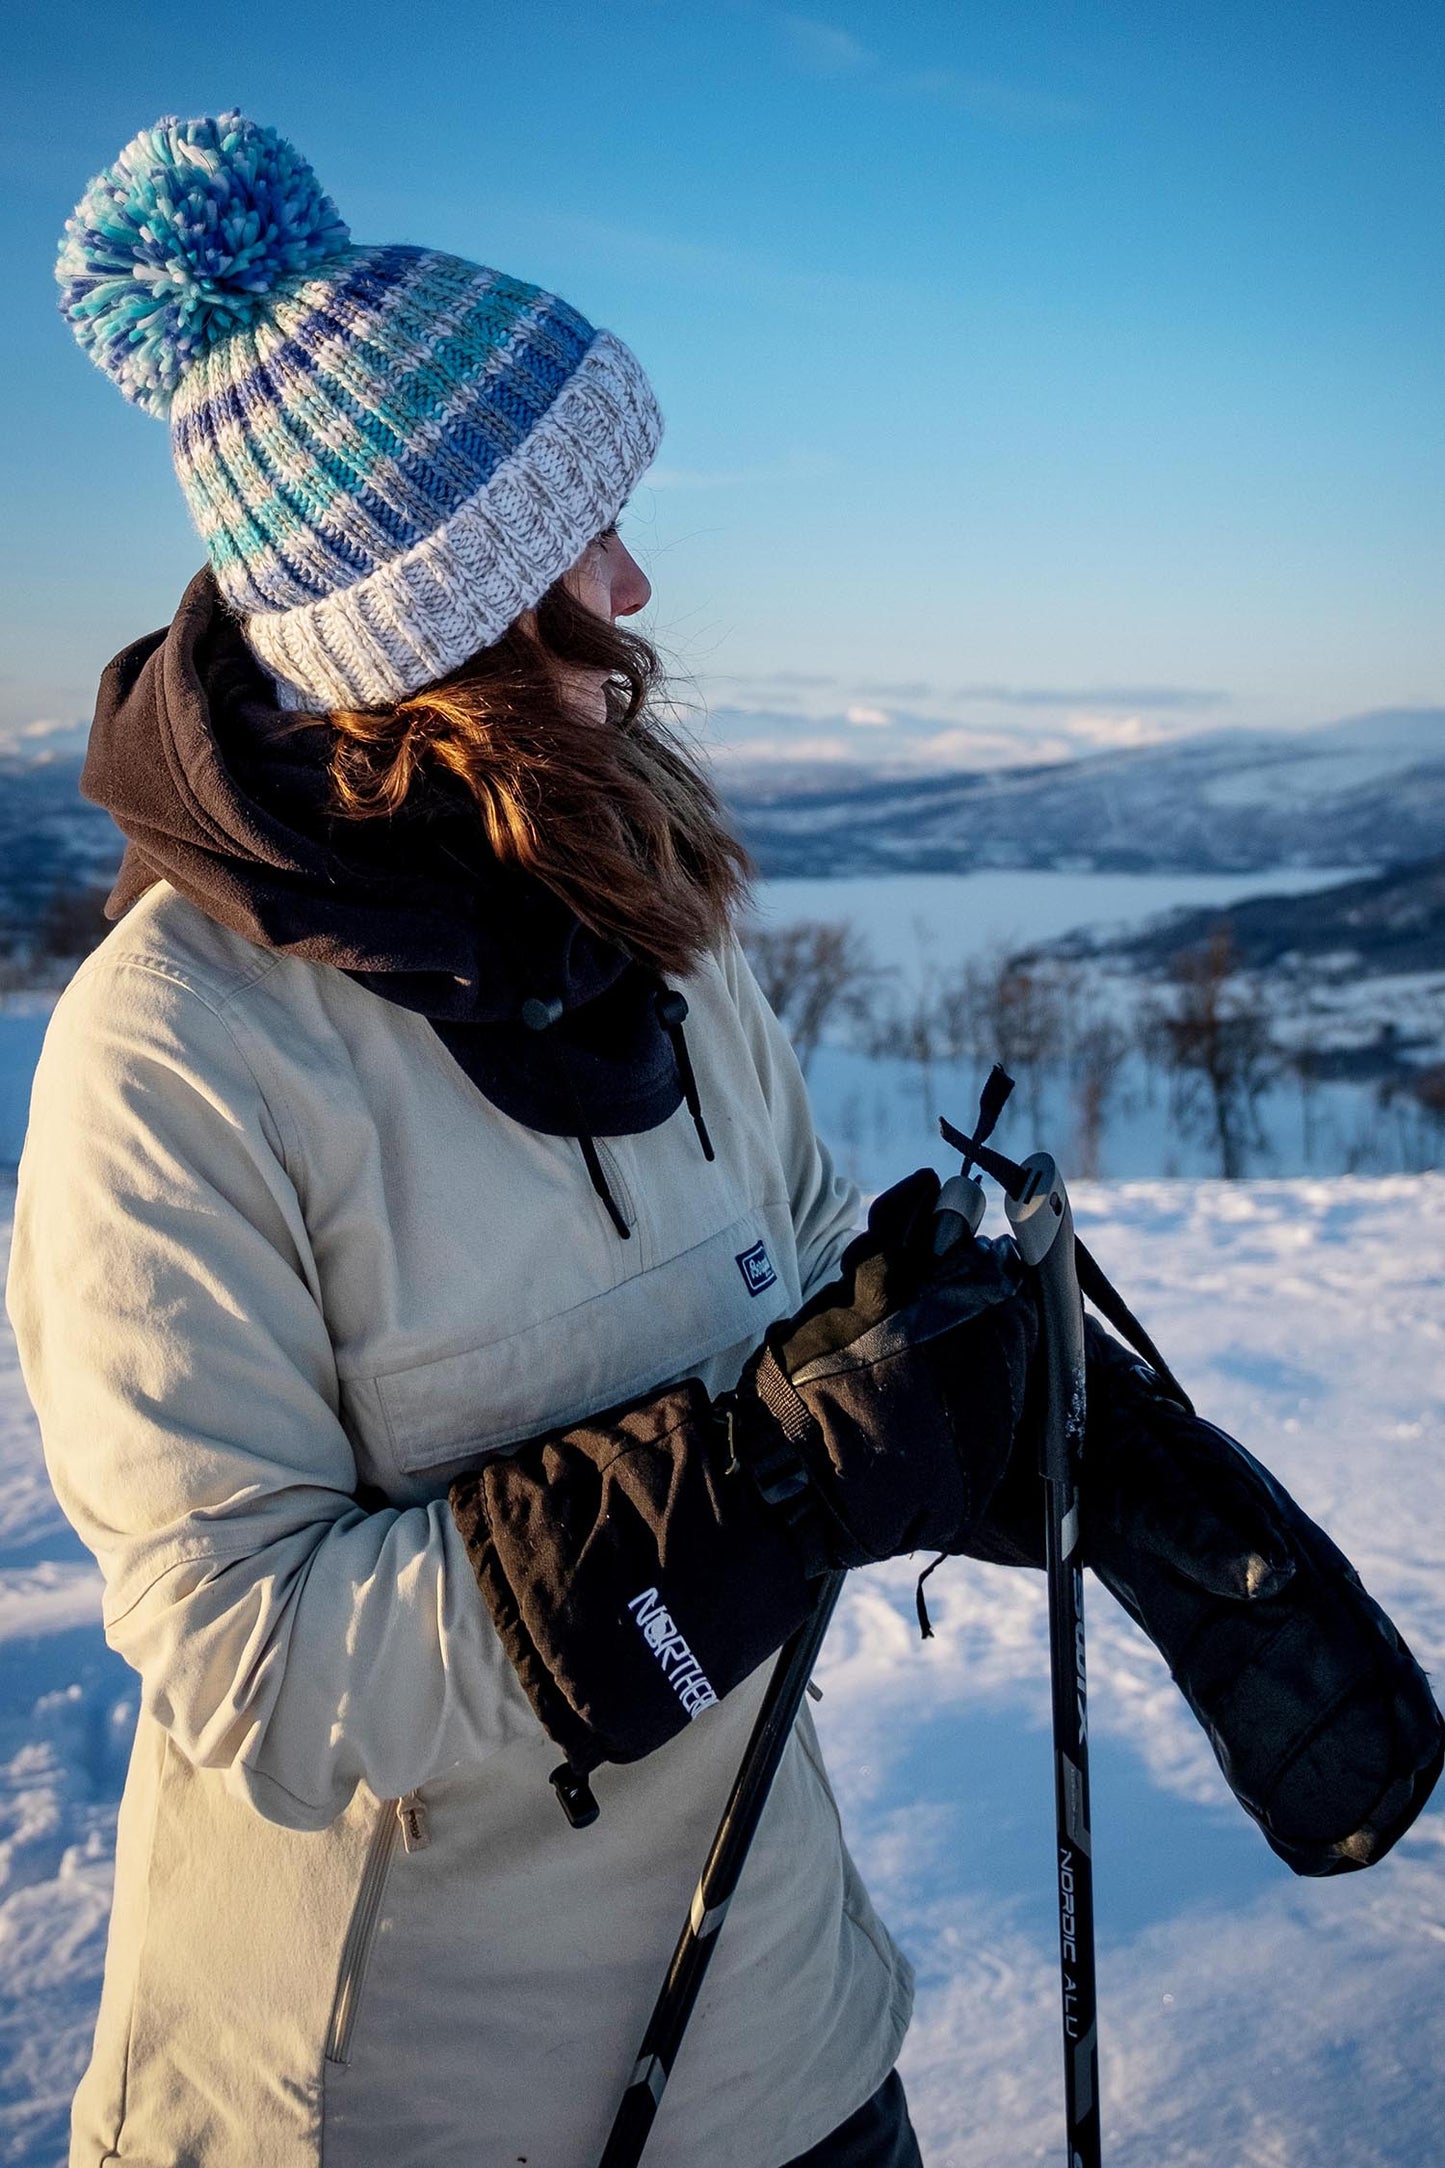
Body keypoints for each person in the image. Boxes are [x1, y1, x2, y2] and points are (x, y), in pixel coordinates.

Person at [13, 111, 1441, 2168]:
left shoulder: (647, 939)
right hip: (391, 2099)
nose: (638, 581)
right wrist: (762, 1487)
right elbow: (248, 1654)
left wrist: (951, 1375)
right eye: (583, 540)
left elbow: (779, 1333)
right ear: (452, 617)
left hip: (778, 2036)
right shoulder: (175, 1058)